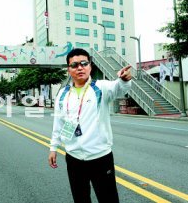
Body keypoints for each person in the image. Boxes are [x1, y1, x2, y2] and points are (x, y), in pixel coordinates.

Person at [48, 48, 132, 203]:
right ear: (69, 69)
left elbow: (120, 88)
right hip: (74, 158)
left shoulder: (101, 87)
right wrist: (54, 147)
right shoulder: (62, 94)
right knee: (80, 199)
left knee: (108, 199)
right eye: (74, 65)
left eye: (84, 63)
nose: (80, 67)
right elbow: (59, 122)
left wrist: (124, 80)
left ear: (90, 66)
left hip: (100, 156)